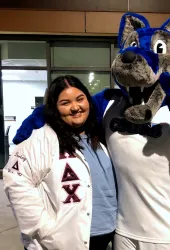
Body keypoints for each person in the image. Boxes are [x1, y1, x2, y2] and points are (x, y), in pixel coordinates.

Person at [11, 11, 170, 250]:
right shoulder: (110, 104)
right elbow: (70, 111)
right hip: (121, 231)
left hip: (168, 232)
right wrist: (31, 127)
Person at [3, 75, 117, 250]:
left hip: (105, 235)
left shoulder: (98, 136)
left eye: (80, 99)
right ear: (54, 108)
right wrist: (43, 229)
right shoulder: (41, 139)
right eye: (65, 103)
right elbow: (16, 182)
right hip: (62, 240)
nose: (75, 107)